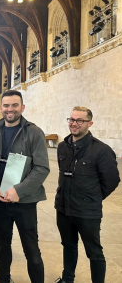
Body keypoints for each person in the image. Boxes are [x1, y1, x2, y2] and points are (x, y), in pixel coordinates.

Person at [0, 90, 50, 283]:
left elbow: (42, 168)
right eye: (6, 105)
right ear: (1, 107)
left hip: (24, 201)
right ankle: (4, 279)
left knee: (31, 248)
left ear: (22, 107)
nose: (10, 109)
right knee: (2, 246)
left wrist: (18, 191)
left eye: (14, 105)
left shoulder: (34, 132)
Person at [54, 106, 120, 283]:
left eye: (79, 120)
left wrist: (92, 197)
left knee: (94, 251)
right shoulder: (62, 147)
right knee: (68, 245)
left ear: (89, 123)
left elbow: (112, 180)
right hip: (63, 208)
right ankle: (68, 279)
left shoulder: (101, 150)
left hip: (87, 211)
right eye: (72, 119)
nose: (74, 124)